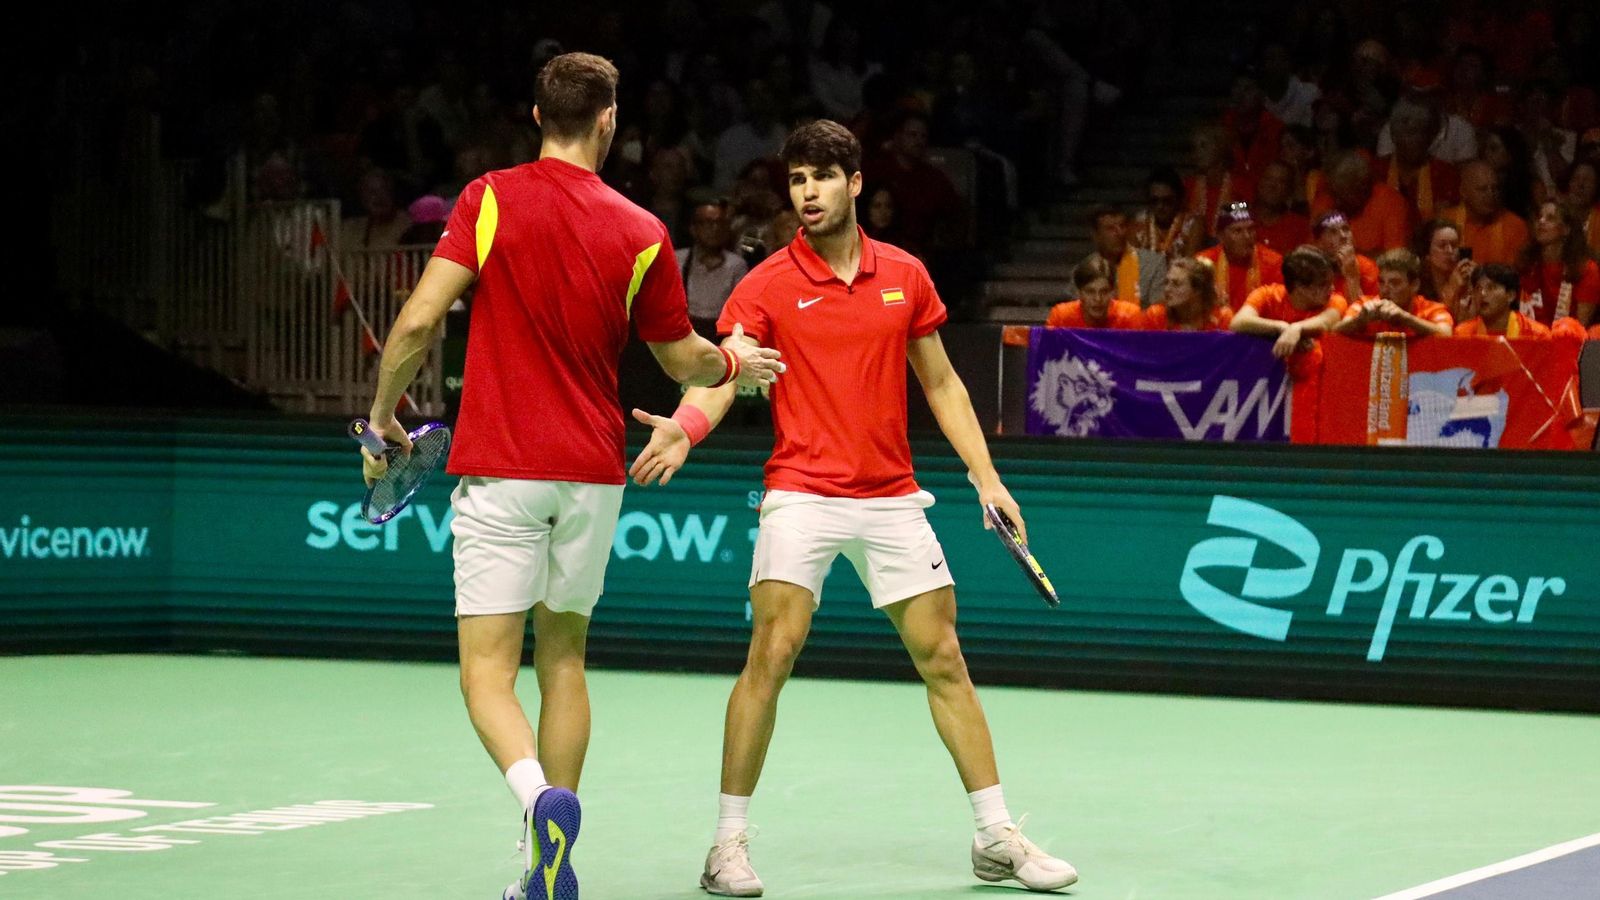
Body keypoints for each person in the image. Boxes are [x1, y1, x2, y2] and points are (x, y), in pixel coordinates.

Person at [358, 53, 784, 900]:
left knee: (487, 674)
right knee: (565, 660)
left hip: (504, 468)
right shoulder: (640, 230)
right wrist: (736, 359)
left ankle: (539, 801)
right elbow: (683, 359)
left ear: (534, 116)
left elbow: (415, 322)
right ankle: (546, 867)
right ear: (609, 121)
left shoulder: (487, 199)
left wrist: (381, 419)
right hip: (593, 475)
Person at [627, 119, 1078, 897]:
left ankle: (995, 834)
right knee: (775, 648)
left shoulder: (905, 274)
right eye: (797, 180)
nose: (806, 193)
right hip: (801, 489)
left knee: (944, 658)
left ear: (855, 183)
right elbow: (726, 372)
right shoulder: (765, 282)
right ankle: (727, 845)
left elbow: (941, 383)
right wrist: (688, 428)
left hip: (893, 496)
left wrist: (987, 479)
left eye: (821, 178)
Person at [1230, 245, 1349, 359]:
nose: (1332, 288)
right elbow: (1238, 322)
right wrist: (1281, 328)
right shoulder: (1266, 295)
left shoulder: (1336, 300)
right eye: (1323, 284)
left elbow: (1325, 323)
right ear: (1300, 287)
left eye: (1331, 282)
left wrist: (1296, 329)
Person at [1310, 151, 1413, 256]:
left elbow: (1395, 259)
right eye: (1334, 193)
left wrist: (1350, 256)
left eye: (1342, 194)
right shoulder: (1327, 198)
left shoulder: (1391, 202)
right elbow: (1312, 252)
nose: (1336, 201)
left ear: (1363, 189)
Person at [1335, 248, 1454, 338]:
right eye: (1382, 282)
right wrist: (1359, 320)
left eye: (1395, 283)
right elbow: (1335, 332)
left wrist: (1406, 318)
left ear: (1414, 285)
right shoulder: (1364, 304)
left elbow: (1446, 334)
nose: (1385, 290)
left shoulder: (1433, 309)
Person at [1518, 200, 1600, 326]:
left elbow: (1580, 326)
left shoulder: (1586, 269)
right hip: (1535, 336)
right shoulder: (1528, 265)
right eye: (1539, 217)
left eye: (1550, 218)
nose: (1541, 221)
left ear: (1566, 229)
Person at [678, 200, 751, 337]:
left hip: (720, 334)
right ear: (693, 228)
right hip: (685, 332)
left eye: (720, 223)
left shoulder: (737, 265)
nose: (715, 228)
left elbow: (740, 309)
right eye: (708, 223)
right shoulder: (678, 260)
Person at [1068, 206, 1166, 306]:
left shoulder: (1154, 264)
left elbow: (1158, 314)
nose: (1120, 233)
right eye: (1110, 228)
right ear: (1096, 235)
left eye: (1122, 226)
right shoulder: (1082, 270)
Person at [1195, 202, 1285, 310]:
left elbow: (1279, 308)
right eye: (1238, 231)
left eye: (1250, 230)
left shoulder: (1274, 262)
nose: (1247, 236)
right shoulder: (1203, 263)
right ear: (1221, 236)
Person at [1442, 160, 1530, 266]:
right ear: (1463, 192)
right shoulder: (1445, 221)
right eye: (1482, 189)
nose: (1490, 195)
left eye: (1495, 188)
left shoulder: (1515, 226)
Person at [1455, 263, 1552, 337]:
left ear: (1510, 295)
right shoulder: (1463, 334)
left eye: (1491, 288)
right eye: (1478, 288)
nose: (1482, 293)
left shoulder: (1537, 335)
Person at [1048, 256, 1148, 328]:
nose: (1098, 299)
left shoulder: (1130, 316)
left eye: (1104, 292)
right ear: (1079, 292)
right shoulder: (1061, 318)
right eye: (1090, 292)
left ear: (1113, 292)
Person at [1129, 167, 1202, 257]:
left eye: (1167, 201)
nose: (1160, 206)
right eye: (1154, 201)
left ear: (1178, 200)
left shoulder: (1192, 224)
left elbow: (1190, 265)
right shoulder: (1138, 224)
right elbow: (1132, 264)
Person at [1144, 257, 1233, 331]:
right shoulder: (1156, 316)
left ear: (1197, 290)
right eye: (1166, 282)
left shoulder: (1222, 318)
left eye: (1176, 284)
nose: (1167, 289)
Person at [1413, 218, 1474, 320]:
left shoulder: (1467, 280)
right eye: (1442, 246)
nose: (1449, 251)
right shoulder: (1416, 285)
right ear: (1427, 252)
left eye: (1454, 245)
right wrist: (1452, 290)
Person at [1313, 211, 1378, 304]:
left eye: (1346, 229)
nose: (1343, 236)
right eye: (1333, 232)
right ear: (1319, 243)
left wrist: (1352, 276)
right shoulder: (1313, 270)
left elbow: (1369, 314)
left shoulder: (1366, 267)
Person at [1253, 161, 1312, 253]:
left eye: (1281, 181)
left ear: (1289, 190)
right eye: (1268, 178)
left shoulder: (1300, 227)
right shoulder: (1242, 221)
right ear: (1259, 182)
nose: (1272, 185)